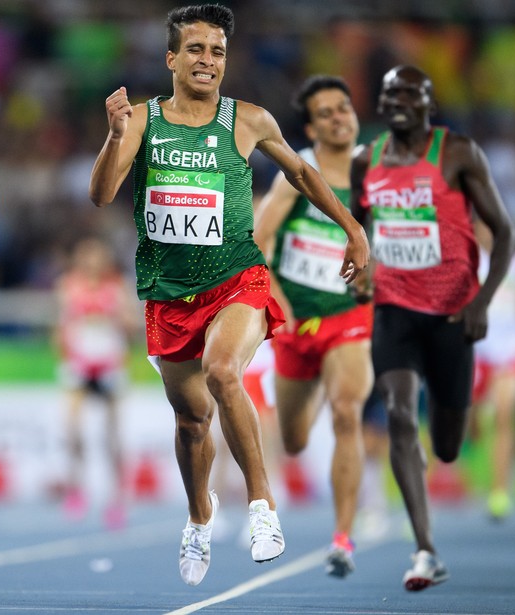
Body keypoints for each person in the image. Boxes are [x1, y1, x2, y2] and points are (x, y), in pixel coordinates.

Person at [88, 4, 369, 586]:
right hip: (167, 293)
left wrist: (352, 227)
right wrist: (114, 136)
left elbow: (302, 172)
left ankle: (262, 507)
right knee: (192, 421)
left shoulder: (250, 120)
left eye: (216, 52)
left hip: (236, 277)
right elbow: (102, 194)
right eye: (195, 49)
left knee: (223, 371)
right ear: (171, 58)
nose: (207, 61)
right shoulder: (141, 120)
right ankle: (198, 518)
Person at [350, 65, 514, 592]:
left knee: (446, 445)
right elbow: (359, 229)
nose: (397, 100)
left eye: (408, 93)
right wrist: (360, 270)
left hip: (451, 315)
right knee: (398, 414)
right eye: (389, 92)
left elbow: (505, 232)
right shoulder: (365, 162)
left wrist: (483, 301)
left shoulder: (458, 152)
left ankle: (437, 456)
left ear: (429, 102)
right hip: (394, 311)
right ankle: (425, 549)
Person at [253, 75, 374, 579]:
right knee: (296, 440)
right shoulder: (295, 175)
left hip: (349, 318)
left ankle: (342, 539)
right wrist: (279, 306)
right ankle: (317, 383)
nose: (338, 117)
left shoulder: (378, 173)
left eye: (343, 107)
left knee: (348, 412)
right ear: (311, 127)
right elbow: (257, 244)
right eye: (325, 113)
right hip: (296, 326)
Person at [54, 236, 139, 529]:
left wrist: (116, 316)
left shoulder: (117, 286)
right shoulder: (69, 285)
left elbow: (131, 328)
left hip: (108, 363)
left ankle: (117, 498)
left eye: (97, 257)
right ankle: (76, 490)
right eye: (86, 256)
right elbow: (61, 325)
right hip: (79, 362)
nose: (92, 262)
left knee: (111, 436)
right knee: (73, 430)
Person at [468, 220, 515, 522]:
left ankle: (499, 491)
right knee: (472, 426)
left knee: (506, 416)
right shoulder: (468, 262)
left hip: (512, 352)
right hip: (479, 354)